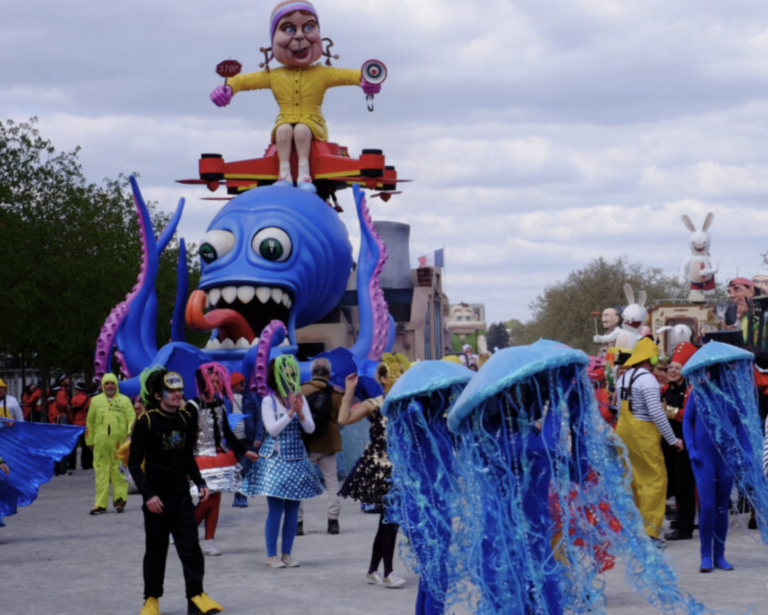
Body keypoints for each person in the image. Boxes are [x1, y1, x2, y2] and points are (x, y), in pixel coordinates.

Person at [209, 0, 382, 191]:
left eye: (308, 27)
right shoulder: (274, 76)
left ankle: (304, 176)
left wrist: (369, 81)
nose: (300, 36)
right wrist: (228, 88)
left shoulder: (323, 74)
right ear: (272, 40)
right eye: (289, 29)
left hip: (313, 123)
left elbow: (355, 75)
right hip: (284, 120)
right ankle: (284, 174)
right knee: (283, 130)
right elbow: (243, 81)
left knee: (301, 130)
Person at [129, 368, 224, 615]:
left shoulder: (185, 419)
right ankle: (151, 599)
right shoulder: (145, 422)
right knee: (156, 550)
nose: (177, 394)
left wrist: (200, 482)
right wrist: (148, 495)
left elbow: (187, 457)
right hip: (156, 499)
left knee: (191, 547)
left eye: (179, 389)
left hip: (181, 495)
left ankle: (196, 597)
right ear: (157, 395)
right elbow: (133, 464)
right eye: (171, 390)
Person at [241, 355, 322, 568]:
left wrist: (301, 412)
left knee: (293, 510)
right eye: (287, 376)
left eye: (294, 375)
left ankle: (287, 553)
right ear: (276, 378)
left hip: (296, 459)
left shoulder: (299, 398)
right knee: (276, 509)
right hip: (275, 460)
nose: (291, 379)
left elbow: (311, 429)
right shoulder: (269, 401)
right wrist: (290, 412)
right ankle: (271, 555)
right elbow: (271, 430)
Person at [338, 364, 406, 588]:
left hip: (400, 468)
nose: (398, 378)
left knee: (386, 521)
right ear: (383, 379)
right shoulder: (373, 404)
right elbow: (343, 419)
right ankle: (388, 572)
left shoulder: (404, 404)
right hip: (380, 469)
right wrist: (349, 389)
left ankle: (372, 570)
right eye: (393, 375)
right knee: (390, 520)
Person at [614, 337, 684, 542]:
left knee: (633, 482)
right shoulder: (648, 380)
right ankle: (650, 533)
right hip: (643, 436)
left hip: (623, 433)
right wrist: (673, 440)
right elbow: (656, 412)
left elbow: (619, 410)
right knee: (654, 482)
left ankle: (634, 530)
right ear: (651, 357)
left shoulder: (623, 378)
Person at [187, 363, 259, 556]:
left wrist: (245, 452)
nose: (217, 384)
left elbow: (228, 432)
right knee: (206, 499)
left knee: (216, 499)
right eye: (213, 381)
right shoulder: (192, 406)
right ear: (203, 382)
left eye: (219, 381)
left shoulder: (220, 405)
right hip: (201, 458)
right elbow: (187, 438)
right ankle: (185, 531)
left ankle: (209, 540)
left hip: (220, 456)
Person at [298, 357, 344, 535]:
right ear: (329, 374)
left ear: (312, 372)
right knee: (332, 483)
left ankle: (298, 523)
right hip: (329, 445)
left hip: (306, 445)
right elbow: (342, 420)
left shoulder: (301, 391)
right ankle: (333, 521)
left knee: (299, 485)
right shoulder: (337, 394)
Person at [660, 342, 698, 541]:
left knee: (685, 487)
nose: (673, 371)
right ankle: (682, 519)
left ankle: (685, 529)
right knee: (672, 484)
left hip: (684, 444)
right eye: (671, 367)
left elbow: (689, 416)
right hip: (667, 445)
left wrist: (668, 411)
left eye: (678, 368)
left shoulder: (691, 390)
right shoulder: (664, 389)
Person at [85, 373, 135, 514]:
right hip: (100, 445)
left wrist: (130, 436)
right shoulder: (95, 401)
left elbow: (132, 419)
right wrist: (89, 441)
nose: (110, 386)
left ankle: (120, 501)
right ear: (103, 385)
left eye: (112, 383)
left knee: (119, 473)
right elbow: (90, 422)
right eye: (107, 383)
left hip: (120, 445)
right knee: (101, 474)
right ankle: (100, 504)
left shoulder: (124, 401)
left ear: (116, 385)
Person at [227, 372, 252, 508]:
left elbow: (258, 417)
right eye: (241, 384)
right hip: (233, 441)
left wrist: (258, 437)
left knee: (243, 469)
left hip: (246, 439)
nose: (244, 386)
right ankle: (237, 495)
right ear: (235, 384)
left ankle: (243, 496)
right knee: (234, 470)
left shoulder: (249, 398)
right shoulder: (227, 400)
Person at [68, 382, 93, 471]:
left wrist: (72, 421)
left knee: (73, 446)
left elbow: (70, 413)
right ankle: (86, 464)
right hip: (86, 425)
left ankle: (72, 465)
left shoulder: (73, 400)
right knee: (86, 445)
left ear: (78, 390)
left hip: (76, 425)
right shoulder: (89, 400)